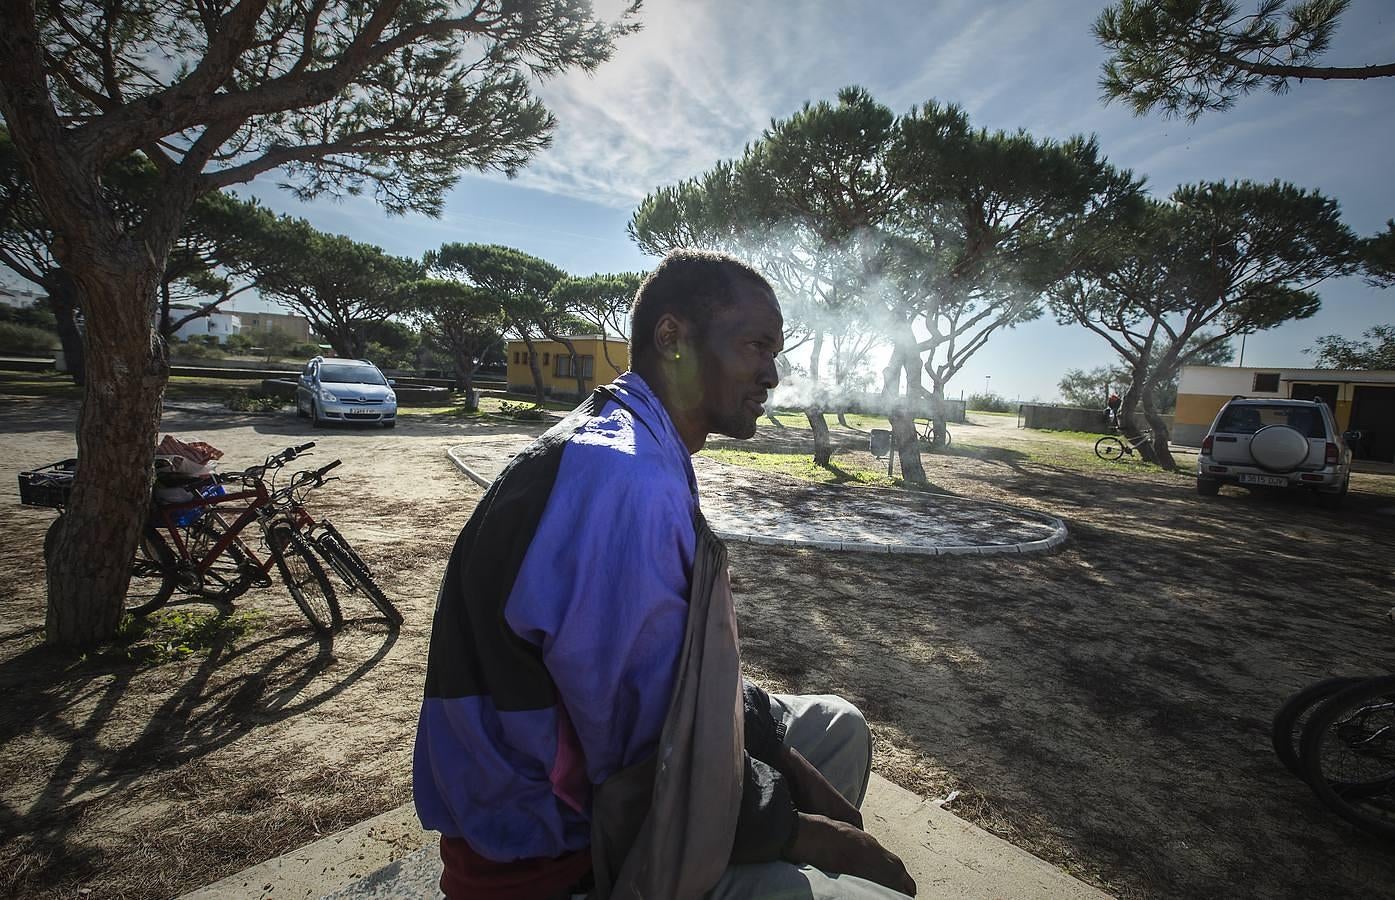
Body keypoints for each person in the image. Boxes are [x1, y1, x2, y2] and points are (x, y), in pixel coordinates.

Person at [413, 249, 916, 899]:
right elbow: (648, 761)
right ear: (672, 337)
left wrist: (790, 767)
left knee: (834, 726)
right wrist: (807, 831)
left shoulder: (639, 440)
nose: (771, 374)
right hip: (561, 855)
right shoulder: (622, 477)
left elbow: (683, 674)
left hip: (626, 787)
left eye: (776, 351)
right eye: (755, 346)